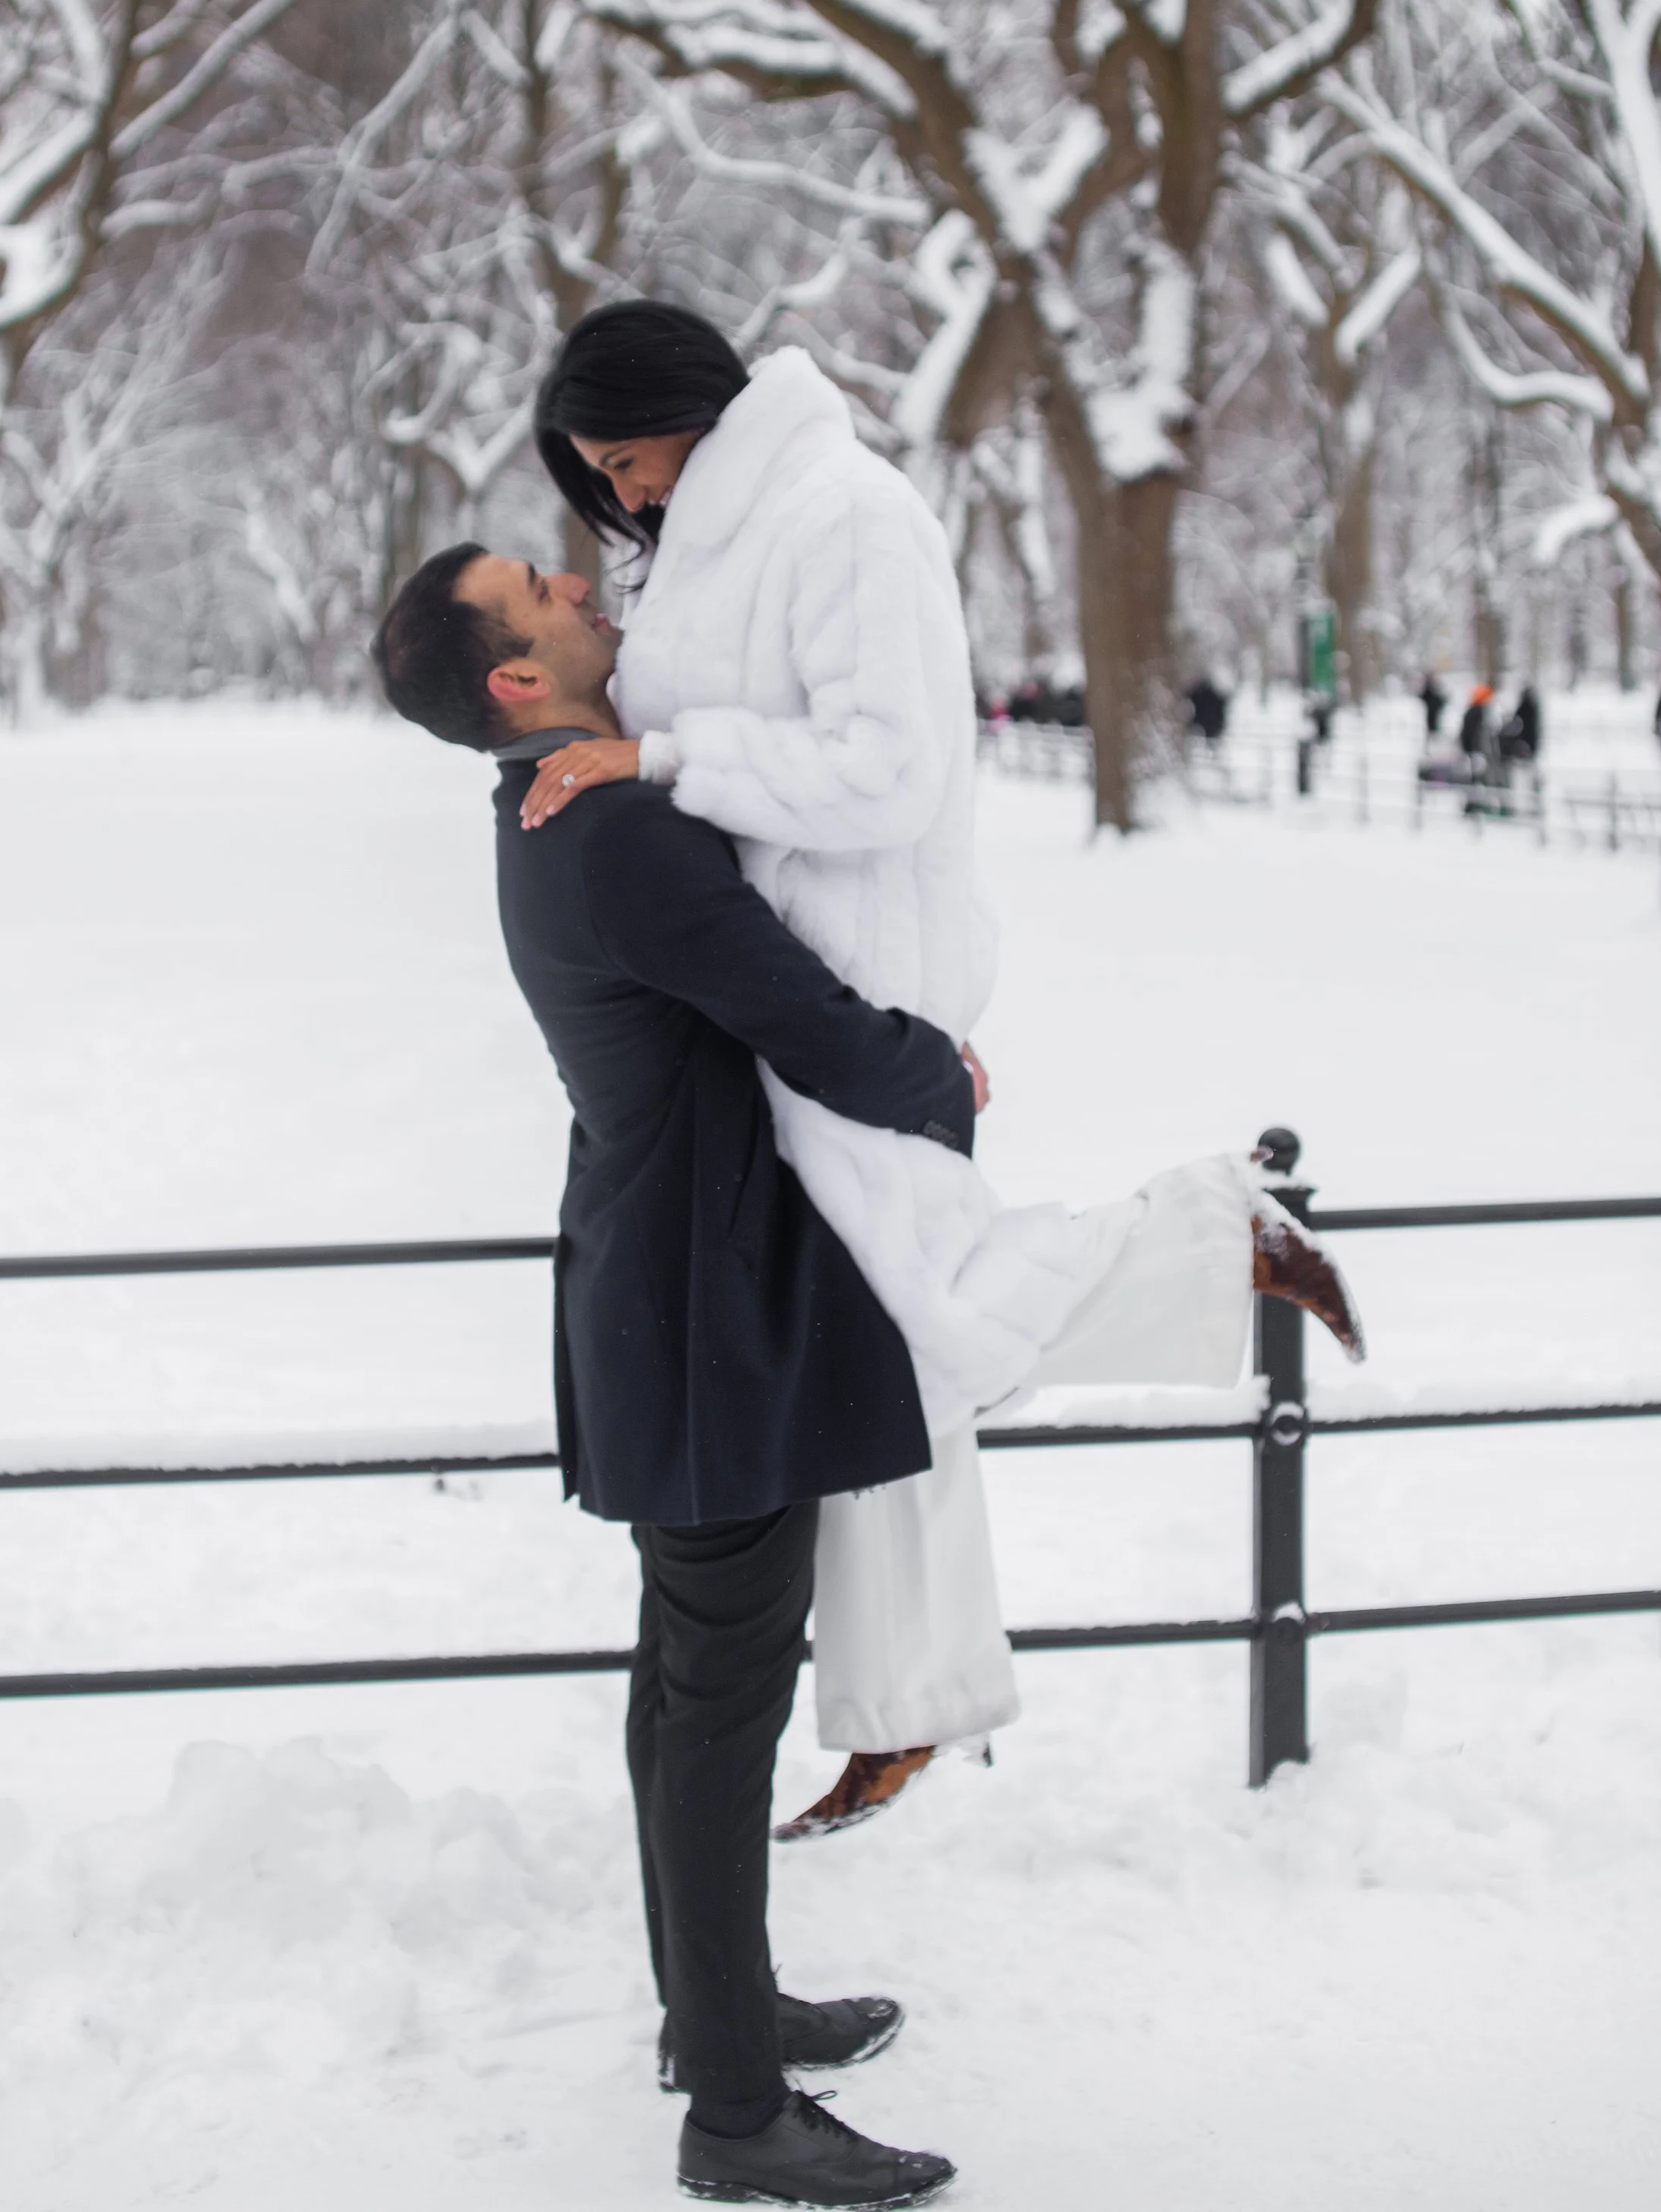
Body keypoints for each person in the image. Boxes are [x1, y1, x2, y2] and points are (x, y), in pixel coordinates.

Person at [519, 301, 1362, 1838]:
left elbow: (890, 764)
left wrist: (657, 760)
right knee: (880, 1351)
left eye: (628, 461)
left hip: (844, 981)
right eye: (603, 479)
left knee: (917, 1330)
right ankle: (908, 1707)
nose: (623, 499)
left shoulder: (846, 517)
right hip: (768, 997)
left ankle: (1214, 1228)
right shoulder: (703, 539)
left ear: (688, 411)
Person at [374, 545, 964, 2207]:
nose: (580, 581)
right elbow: (811, 1023)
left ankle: (714, 2012)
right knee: (717, 1708)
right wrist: (943, 1073)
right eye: (541, 589)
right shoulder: (611, 829)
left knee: (687, 1689)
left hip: (671, 1289)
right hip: (704, 1316)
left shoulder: (557, 807)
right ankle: (731, 2112)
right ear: (514, 677)